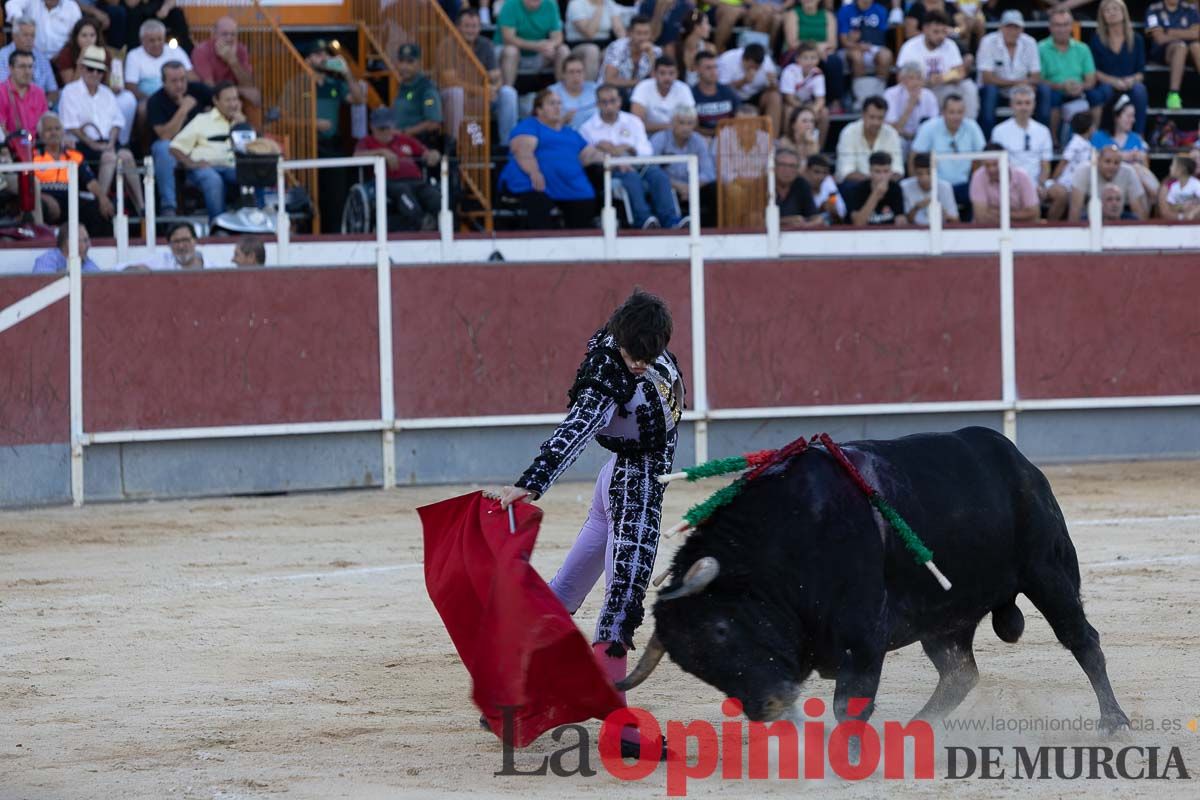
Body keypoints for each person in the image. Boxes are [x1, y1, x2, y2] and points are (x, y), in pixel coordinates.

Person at [490, 289, 684, 762]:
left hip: (616, 481)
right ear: (620, 339)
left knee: (565, 591)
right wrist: (531, 484)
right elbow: (574, 431)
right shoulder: (606, 376)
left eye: (647, 353)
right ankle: (619, 730)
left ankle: (511, 690)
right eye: (632, 353)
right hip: (632, 488)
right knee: (620, 607)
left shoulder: (634, 343)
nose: (638, 363)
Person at [582, 83, 685, 229]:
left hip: (638, 164)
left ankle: (671, 220)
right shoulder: (587, 128)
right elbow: (587, 158)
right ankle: (643, 220)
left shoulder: (633, 121)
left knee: (659, 176)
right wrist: (610, 154)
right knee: (631, 177)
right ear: (598, 104)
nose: (609, 105)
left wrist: (630, 149)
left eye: (613, 100)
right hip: (610, 171)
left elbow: (647, 150)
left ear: (620, 101)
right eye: (604, 102)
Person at [498, 88, 602, 229]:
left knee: (585, 200)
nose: (557, 107)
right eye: (552, 103)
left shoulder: (569, 132)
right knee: (538, 202)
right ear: (539, 110)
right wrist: (533, 172)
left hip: (568, 186)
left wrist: (615, 162)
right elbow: (522, 150)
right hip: (534, 185)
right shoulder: (530, 125)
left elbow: (590, 155)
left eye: (559, 103)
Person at [58, 45, 143, 212]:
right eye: (91, 69)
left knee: (126, 155)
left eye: (99, 70)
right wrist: (93, 144)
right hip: (81, 146)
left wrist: (110, 142)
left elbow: (117, 123)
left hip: (107, 143)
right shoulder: (70, 91)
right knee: (109, 158)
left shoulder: (107, 93)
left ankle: (141, 206)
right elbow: (72, 127)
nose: (95, 74)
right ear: (82, 69)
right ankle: (100, 205)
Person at [354, 106, 442, 231]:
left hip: (416, 181)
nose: (385, 132)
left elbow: (425, 153)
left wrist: (433, 154)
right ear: (372, 127)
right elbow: (356, 156)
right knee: (403, 191)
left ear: (393, 126)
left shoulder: (405, 139)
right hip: (389, 183)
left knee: (434, 196)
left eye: (388, 127)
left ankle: (443, 227)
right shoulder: (367, 142)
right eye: (381, 128)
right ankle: (420, 222)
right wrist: (382, 152)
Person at [169, 81, 244, 221]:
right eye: (228, 100)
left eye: (235, 99)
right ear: (216, 101)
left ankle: (255, 222)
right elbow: (175, 147)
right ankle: (218, 225)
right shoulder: (202, 120)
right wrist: (191, 163)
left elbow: (253, 149)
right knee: (213, 179)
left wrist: (243, 125)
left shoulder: (241, 122)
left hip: (233, 167)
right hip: (206, 168)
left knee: (251, 175)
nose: (233, 104)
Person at [442, 9, 518, 144]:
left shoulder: (486, 44)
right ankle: (453, 143)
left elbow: (497, 76)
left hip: (483, 97)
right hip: (456, 98)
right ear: (458, 27)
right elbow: (450, 81)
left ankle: (507, 146)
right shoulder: (447, 45)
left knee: (508, 93)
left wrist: (494, 88)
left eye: (475, 26)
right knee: (456, 92)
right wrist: (481, 89)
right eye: (467, 26)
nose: (471, 30)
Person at [146, 60, 211, 216]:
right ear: (163, 82)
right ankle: (169, 207)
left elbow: (221, 100)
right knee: (163, 147)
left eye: (183, 79)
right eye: (174, 81)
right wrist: (183, 109)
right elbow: (165, 135)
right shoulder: (155, 101)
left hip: (201, 146)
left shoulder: (198, 90)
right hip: (173, 151)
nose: (180, 85)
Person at [32, 112, 115, 234]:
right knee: (40, 206)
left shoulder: (73, 155)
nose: (54, 132)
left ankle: (99, 250)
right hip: (44, 199)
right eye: (48, 129)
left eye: (57, 128)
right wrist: (39, 196)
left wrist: (103, 198)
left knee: (100, 209)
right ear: (41, 135)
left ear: (63, 132)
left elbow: (90, 182)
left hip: (70, 199)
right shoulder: (32, 156)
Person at [895, 11, 979, 120]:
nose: (941, 36)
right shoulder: (910, 47)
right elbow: (900, 79)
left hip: (944, 87)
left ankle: (968, 124)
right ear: (925, 29)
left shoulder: (950, 45)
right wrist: (926, 82)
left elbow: (960, 72)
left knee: (968, 87)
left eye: (943, 32)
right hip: (919, 90)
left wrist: (943, 78)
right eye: (936, 32)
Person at [910, 93, 985, 212]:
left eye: (959, 112)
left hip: (964, 185)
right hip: (935, 186)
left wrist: (975, 182)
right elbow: (914, 158)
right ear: (943, 112)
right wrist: (920, 188)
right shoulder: (929, 127)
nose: (956, 116)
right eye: (952, 112)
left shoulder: (972, 127)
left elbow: (982, 158)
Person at [1039, 7, 1103, 144]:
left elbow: (1091, 79)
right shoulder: (1041, 48)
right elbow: (1038, 79)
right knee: (1051, 96)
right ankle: (1053, 139)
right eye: (1057, 25)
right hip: (1055, 91)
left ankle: (1093, 136)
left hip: (1079, 90)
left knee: (1097, 95)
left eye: (1065, 25)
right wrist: (1060, 86)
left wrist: (1081, 86)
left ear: (1071, 26)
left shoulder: (1082, 48)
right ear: (1050, 27)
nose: (1062, 29)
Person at [976, 10, 1045, 137]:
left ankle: (1043, 135)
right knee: (990, 91)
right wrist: (1017, 83)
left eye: (1016, 27)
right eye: (1008, 27)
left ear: (1022, 29)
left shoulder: (1030, 42)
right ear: (1001, 27)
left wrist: (1024, 85)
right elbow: (987, 78)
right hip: (997, 90)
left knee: (1044, 90)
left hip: (1022, 90)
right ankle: (988, 141)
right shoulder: (988, 41)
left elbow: (1035, 76)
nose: (1012, 31)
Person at [650, 104, 716, 222]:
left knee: (714, 188)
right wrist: (678, 186)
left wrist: (691, 186)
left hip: (694, 186)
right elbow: (651, 170)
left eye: (689, 123)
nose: (686, 127)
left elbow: (709, 172)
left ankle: (711, 229)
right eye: (681, 123)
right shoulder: (659, 139)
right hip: (668, 188)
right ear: (672, 123)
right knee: (658, 184)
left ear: (695, 125)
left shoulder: (699, 140)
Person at [1090, 0, 1148, 135]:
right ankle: (1103, 134)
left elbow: (1141, 71)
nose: (1112, 13)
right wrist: (1113, 81)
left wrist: (1131, 80)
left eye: (1115, 9)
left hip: (1129, 84)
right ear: (1102, 15)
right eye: (1107, 10)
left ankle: (1139, 136)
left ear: (1123, 13)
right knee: (1103, 92)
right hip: (1107, 84)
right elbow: (1094, 71)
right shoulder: (1096, 40)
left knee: (1139, 90)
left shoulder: (1136, 39)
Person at [1091, 92, 1159, 198]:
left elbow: (1146, 169)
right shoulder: (1098, 137)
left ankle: (1157, 200)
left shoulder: (1136, 138)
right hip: (1104, 181)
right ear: (1116, 116)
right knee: (1135, 168)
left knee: (1137, 168)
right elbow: (1093, 161)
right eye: (1129, 116)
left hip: (1132, 186)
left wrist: (1142, 157)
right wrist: (1122, 157)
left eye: (1133, 116)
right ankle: (1161, 199)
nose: (1133, 120)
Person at [989, 84, 1053, 192]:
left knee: (1060, 194)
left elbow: (1045, 165)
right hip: (1010, 183)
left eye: (1027, 103)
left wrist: (1041, 184)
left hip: (1036, 183)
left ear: (1034, 105)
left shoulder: (1043, 131)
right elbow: (998, 164)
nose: (1024, 107)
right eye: (1019, 103)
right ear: (1011, 105)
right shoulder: (999, 131)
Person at [495, 0, 570, 87]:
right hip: (511, 55)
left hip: (539, 54)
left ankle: (563, 92)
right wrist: (536, 46)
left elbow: (558, 37)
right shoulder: (510, 4)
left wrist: (550, 45)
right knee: (511, 51)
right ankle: (508, 92)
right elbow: (508, 38)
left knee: (563, 50)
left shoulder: (551, 4)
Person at [785, 0, 845, 108]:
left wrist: (818, 53)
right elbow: (792, 42)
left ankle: (833, 101)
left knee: (834, 61)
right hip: (799, 52)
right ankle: (795, 100)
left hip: (823, 53)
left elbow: (833, 43)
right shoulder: (792, 14)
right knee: (798, 60)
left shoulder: (828, 16)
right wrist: (815, 49)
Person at [190, 15, 260, 107]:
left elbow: (248, 83)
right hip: (209, 101)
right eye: (225, 34)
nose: (229, 38)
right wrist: (241, 90)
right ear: (214, 34)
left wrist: (233, 61)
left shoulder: (241, 49)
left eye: (233, 34)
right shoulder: (201, 51)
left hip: (233, 99)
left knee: (256, 96)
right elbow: (209, 88)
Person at [1068, 144, 1149, 220]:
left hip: (1120, 218)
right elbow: (1075, 210)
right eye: (1107, 161)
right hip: (1090, 219)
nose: (1112, 166)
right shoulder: (1083, 171)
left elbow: (1139, 210)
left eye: (1116, 163)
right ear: (1098, 161)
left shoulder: (1128, 172)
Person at [835, 95, 903, 184]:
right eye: (872, 117)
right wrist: (873, 182)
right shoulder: (849, 132)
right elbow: (846, 172)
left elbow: (898, 170)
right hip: (856, 184)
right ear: (863, 115)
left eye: (880, 118)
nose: (876, 122)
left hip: (886, 183)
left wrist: (881, 182)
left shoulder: (891, 133)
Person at [1145, 0, 1200, 110]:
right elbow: (1159, 38)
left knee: (1196, 46)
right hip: (1164, 52)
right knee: (1181, 47)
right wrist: (1185, 34)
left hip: (1190, 51)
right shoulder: (1154, 9)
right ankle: (1173, 94)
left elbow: (1196, 34)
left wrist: (1171, 32)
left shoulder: (1189, 8)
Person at [716, 43, 781, 137]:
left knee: (774, 96)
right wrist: (743, 81)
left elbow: (774, 88)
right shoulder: (727, 59)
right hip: (732, 97)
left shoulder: (767, 63)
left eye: (756, 67)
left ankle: (773, 140)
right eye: (751, 66)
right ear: (744, 59)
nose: (753, 69)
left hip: (755, 97)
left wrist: (773, 84)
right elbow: (720, 89)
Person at [970, 142, 1041, 225]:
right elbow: (981, 218)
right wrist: (1019, 217)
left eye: (995, 164)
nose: (991, 169)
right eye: (987, 165)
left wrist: (997, 213)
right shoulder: (978, 176)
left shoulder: (1022, 176)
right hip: (987, 232)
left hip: (1022, 232)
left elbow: (1034, 214)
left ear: (1006, 161)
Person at [1046, 111, 1096, 221]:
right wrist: (1054, 181)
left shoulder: (1087, 144)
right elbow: (1064, 162)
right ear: (1090, 128)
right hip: (1067, 182)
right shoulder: (1076, 142)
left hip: (1079, 182)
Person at [1, 16, 59, 104]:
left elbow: (53, 90)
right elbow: (2, 88)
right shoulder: (2, 56)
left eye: (32, 35)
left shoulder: (41, 57)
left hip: (38, 107)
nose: (29, 39)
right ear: (14, 36)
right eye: (25, 35)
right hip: (11, 105)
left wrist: (44, 105)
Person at [779, 42, 829, 145]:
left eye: (813, 58)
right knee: (789, 111)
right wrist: (803, 110)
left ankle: (818, 146)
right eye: (805, 58)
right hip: (793, 104)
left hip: (808, 104)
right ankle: (789, 143)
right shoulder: (789, 71)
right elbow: (789, 98)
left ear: (818, 59)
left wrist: (813, 110)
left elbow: (820, 99)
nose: (809, 62)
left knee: (824, 113)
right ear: (798, 59)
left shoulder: (817, 74)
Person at [631, 55, 695, 134]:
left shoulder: (683, 89)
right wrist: (669, 126)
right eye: (662, 73)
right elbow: (637, 123)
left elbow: (692, 120)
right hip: (647, 136)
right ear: (654, 74)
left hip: (676, 136)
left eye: (671, 73)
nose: (667, 78)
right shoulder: (643, 87)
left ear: (677, 74)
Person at [564, 0, 625, 80]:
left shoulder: (609, 3)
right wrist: (599, 7)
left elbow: (619, 29)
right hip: (578, 45)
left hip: (603, 44)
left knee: (614, 51)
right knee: (592, 51)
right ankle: (591, 88)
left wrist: (626, 44)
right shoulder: (576, 4)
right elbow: (589, 33)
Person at [837, 0, 894, 86]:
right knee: (857, 56)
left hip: (873, 47)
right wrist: (856, 44)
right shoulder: (845, 10)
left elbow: (882, 39)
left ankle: (879, 91)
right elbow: (844, 41)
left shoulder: (880, 10)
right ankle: (860, 93)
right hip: (851, 48)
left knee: (886, 55)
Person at [884, 62, 939, 149]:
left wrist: (919, 137)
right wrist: (910, 106)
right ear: (902, 80)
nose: (915, 82)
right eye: (911, 78)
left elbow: (934, 125)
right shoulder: (891, 94)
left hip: (923, 137)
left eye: (919, 78)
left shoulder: (929, 95)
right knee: (898, 142)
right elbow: (892, 130)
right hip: (901, 137)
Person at [392, 43, 440, 144]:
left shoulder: (426, 89)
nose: (404, 66)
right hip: (398, 142)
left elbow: (433, 123)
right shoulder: (404, 87)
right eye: (401, 61)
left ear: (419, 64)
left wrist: (404, 132)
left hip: (417, 145)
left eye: (410, 62)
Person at [601, 15, 660, 94]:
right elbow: (609, 80)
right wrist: (639, 83)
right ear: (630, 33)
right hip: (612, 94)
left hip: (640, 95)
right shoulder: (617, 48)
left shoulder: (656, 51)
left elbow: (657, 80)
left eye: (646, 33)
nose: (642, 38)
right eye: (638, 33)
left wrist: (651, 56)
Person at [846, 151, 906, 225]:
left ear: (891, 172)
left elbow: (900, 220)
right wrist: (876, 194)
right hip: (865, 234)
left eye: (886, 171)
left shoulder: (895, 189)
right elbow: (858, 223)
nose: (882, 176)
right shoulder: (859, 189)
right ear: (870, 172)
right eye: (877, 172)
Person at [3, 0, 81, 57]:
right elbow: (11, 4)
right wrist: (21, 23)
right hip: (31, 54)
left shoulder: (72, 7)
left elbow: (79, 33)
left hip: (61, 59)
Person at [690, 51, 738, 138]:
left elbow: (739, 116)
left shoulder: (728, 92)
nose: (714, 72)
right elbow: (691, 127)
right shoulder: (690, 95)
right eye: (708, 68)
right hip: (702, 138)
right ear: (697, 69)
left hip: (728, 138)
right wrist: (713, 133)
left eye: (715, 67)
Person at [902, 151, 959, 225]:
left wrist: (941, 210)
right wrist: (917, 207)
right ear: (915, 172)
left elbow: (956, 221)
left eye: (929, 173)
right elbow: (904, 223)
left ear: (935, 171)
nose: (924, 178)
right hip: (913, 232)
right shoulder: (904, 186)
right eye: (920, 173)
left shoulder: (945, 187)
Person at [123, 221, 208, 270]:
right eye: (176, 241)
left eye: (185, 240)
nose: (181, 246)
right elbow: (119, 269)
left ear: (195, 241)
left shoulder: (212, 267)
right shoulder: (161, 261)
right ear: (169, 245)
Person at [0, 50, 49, 135]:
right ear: (11, 68)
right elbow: (1, 130)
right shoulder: (1, 92)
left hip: (36, 144)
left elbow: (46, 125)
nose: (27, 72)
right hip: (8, 145)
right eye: (22, 67)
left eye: (30, 67)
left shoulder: (39, 93)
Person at [773, 146, 824, 228]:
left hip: (797, 237)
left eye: (792, 166)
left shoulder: (801, 185)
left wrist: (805, 226)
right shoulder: (763, 186)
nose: (787, 170)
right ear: (774, 167)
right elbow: (755, 221)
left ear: (797, 169)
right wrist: (786, 221)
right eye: (782, 165)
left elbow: (817, 218)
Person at [549, 54, 599, 131]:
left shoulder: (596, 89)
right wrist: (563, 120)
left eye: (579, 71)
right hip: (565, 136)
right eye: (571, 72)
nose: (576, 76)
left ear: (584, 73)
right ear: (563, 74)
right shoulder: (552, 92)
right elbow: (544, 125)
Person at [671, 6, 714, 85]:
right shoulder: (674, 49)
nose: (709, 27)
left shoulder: (709, 49)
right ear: (696, 27)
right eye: (706, 23)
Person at [32, 223, 100, 272]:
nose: (89, 245)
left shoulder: (86, 261)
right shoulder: (46, 261)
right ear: (70, 243)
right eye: (85, 240)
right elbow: (42, 285)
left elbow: (100, 283)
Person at [805, 153, 846, 223]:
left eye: (824, 173)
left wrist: (834, 212)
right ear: (807, 171)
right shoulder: (799, 186)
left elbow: (842, 214)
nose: (821, 177)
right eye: (816, 172)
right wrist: (821, 209)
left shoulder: (828, 181)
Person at [1158, 154, 1200, 219]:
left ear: (1182, 169)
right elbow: (1170, 205)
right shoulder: (1174, 186)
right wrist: (1182, 207)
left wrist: (1193, 212)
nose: (1170, 167)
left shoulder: (1195, 184)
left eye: (1173, 165)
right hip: (1181, 218)